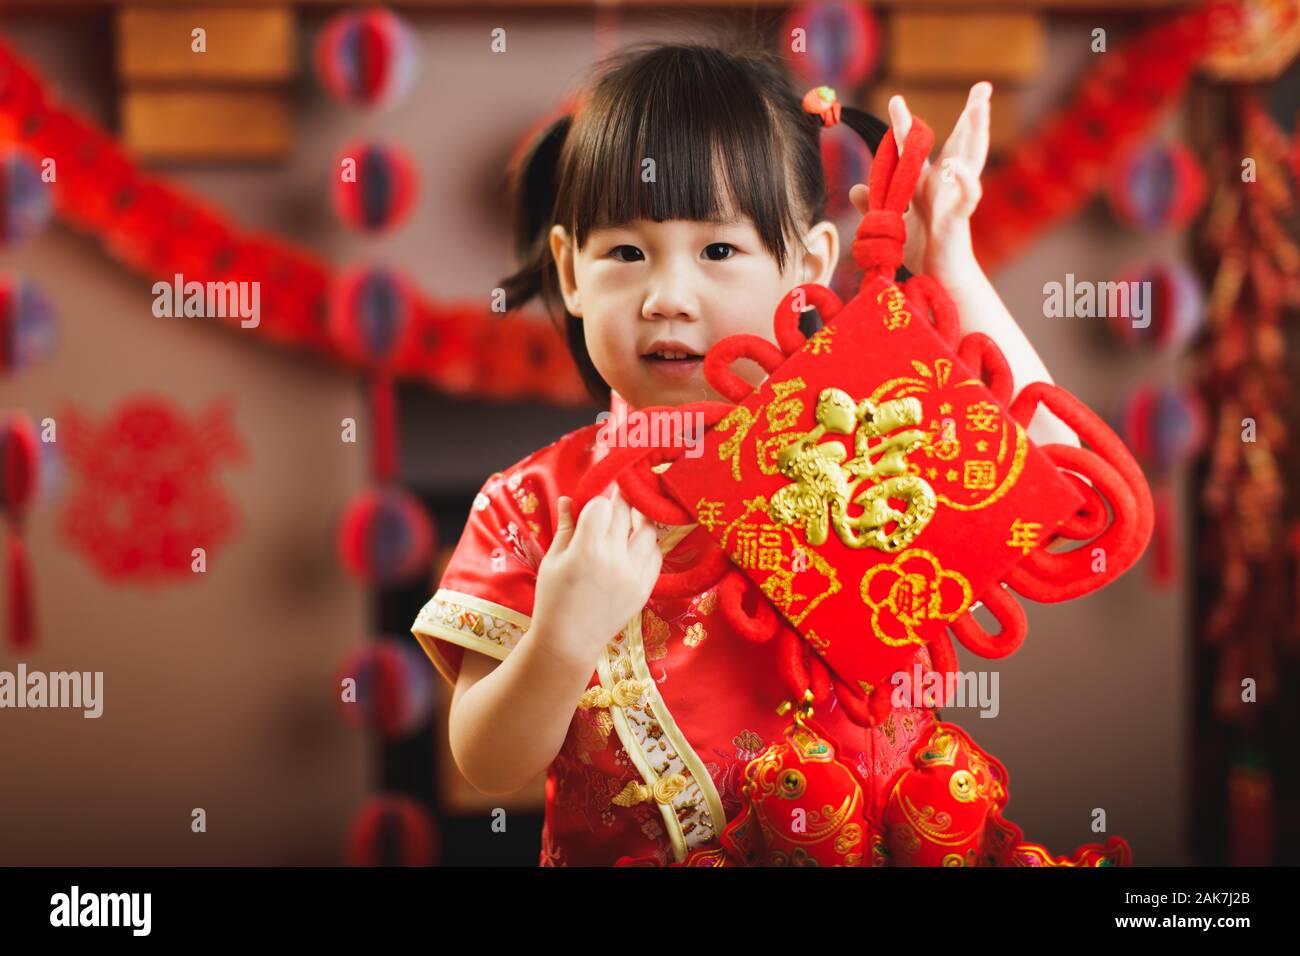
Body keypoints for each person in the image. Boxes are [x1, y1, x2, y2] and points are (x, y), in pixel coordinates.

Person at [410, 40, 1077, 866]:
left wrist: (950, 255)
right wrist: (560, 640)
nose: (667, 297)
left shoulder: (860, 433)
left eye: (719, 251)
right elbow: (486, 761)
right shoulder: (534, 504)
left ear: (806, 266)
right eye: (625, 253)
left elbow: (1063, 490)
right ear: (569, 272)